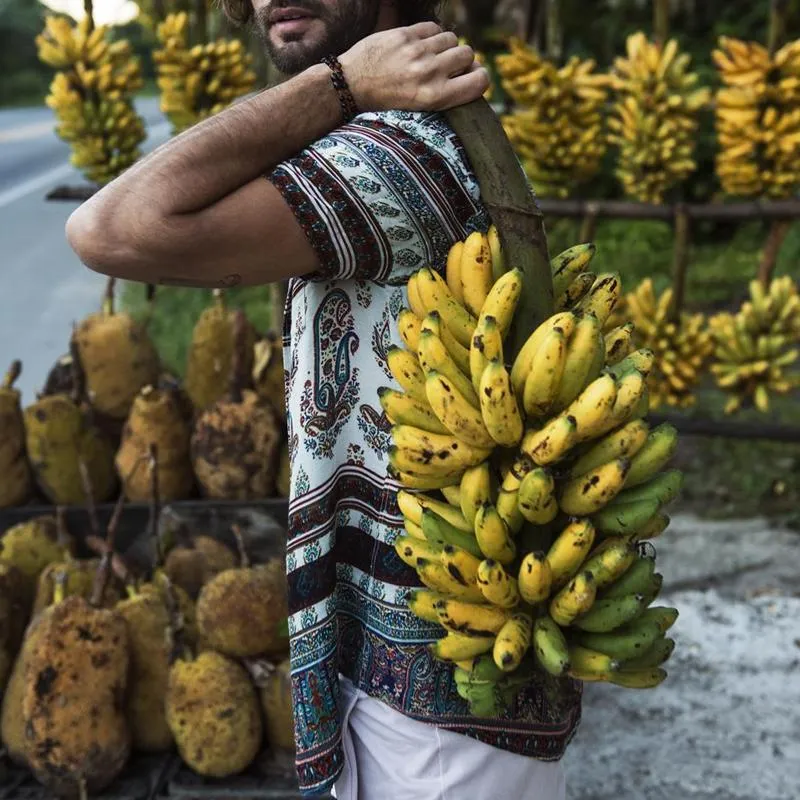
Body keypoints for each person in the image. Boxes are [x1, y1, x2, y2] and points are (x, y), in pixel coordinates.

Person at [66, 2, 581, 797]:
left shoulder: (401, 156)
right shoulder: (386, 137)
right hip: (398, 669)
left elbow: (112, 225)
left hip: (442, 697)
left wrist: (336, 86)